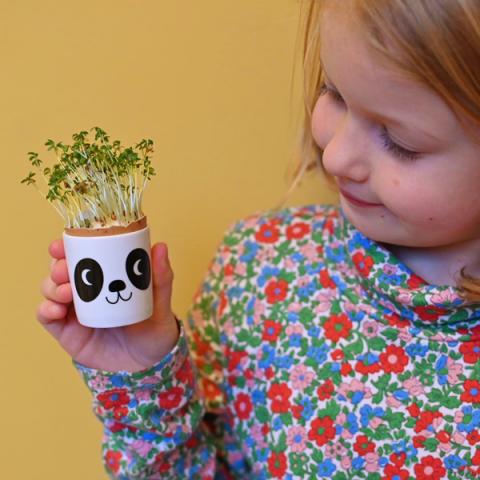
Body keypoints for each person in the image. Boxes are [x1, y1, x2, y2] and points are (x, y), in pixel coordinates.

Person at [37, 0, 480, 478]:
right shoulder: (260, 269)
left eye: (400, 141)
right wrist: (142, 378)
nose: (335, 156)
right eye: (333, 92)